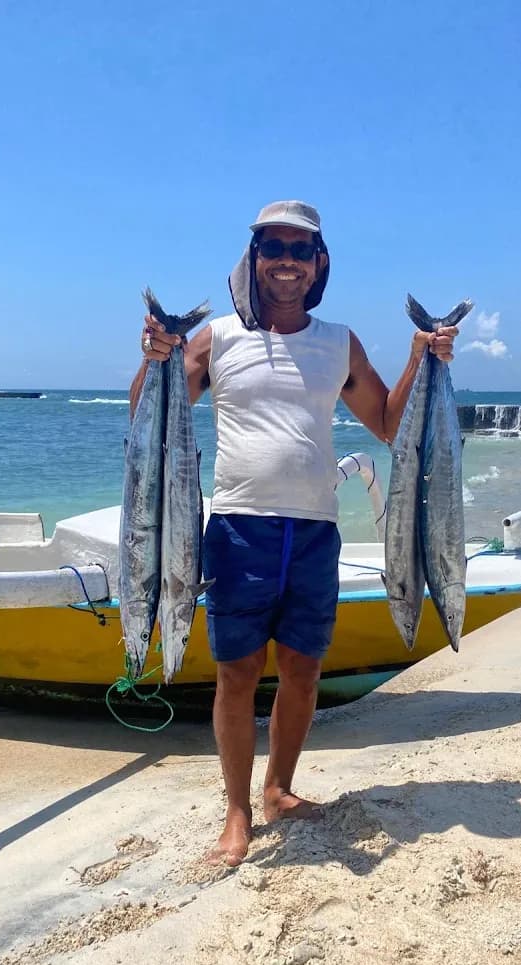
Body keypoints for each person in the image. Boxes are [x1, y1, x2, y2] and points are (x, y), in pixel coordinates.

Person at [130, 200, 457, 866]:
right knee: (237, 674)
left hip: (313, 531)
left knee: (303, 673)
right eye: (273, 248)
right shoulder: (216, 338)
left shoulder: (339, 342)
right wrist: (154, 357)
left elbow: (388, 425)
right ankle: (237, 811)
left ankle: (278, 789)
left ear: (318, 263)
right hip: (238, 529)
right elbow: (147, 416)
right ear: (253, 259)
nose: (286, 261)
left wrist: (421, 356)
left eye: (300, 250)